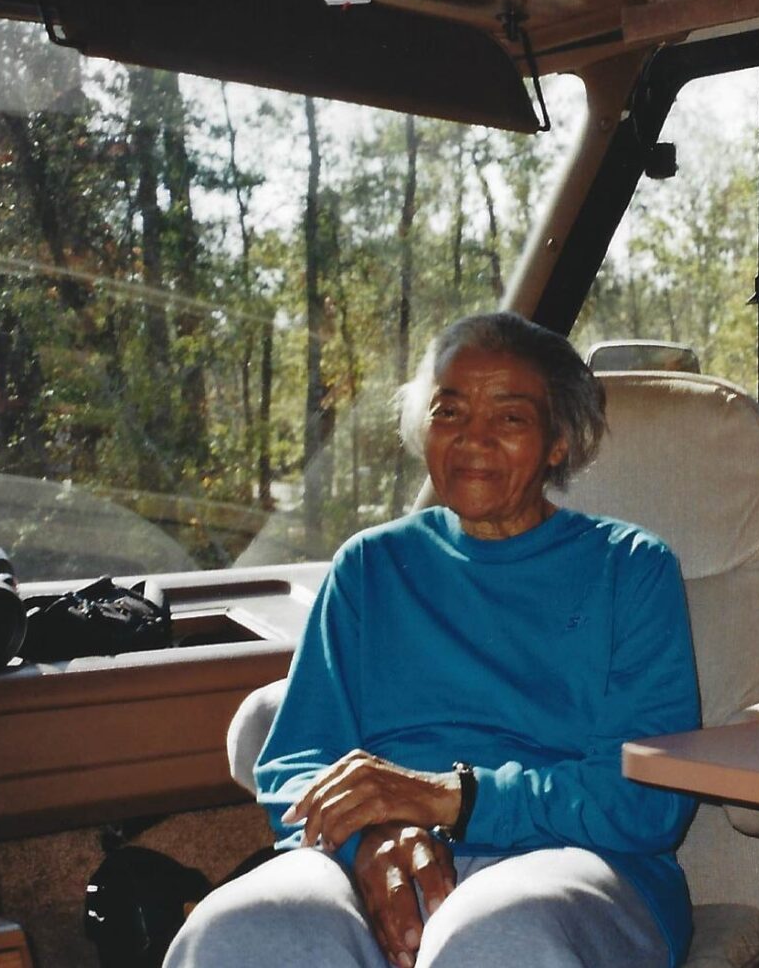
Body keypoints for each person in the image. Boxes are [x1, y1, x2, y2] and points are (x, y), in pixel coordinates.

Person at [166, 312, 701, 968]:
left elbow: (646, 800)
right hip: (383, 854)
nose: (471, 440)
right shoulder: (370, 567)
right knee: (243, 929)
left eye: (508, 418)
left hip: (577, 867)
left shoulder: (631, 568)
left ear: (559, 441)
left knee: (499, 938)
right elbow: (296, 761)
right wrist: (372, 837)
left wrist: (451, 797)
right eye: (449, 413)